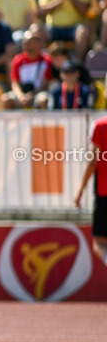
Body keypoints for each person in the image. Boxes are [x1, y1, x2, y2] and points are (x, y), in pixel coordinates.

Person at [76, 112, 107, 275]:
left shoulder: (100, 125)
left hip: (104, 192)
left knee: (99, 243)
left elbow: (93, 160)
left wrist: (81, 190)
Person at [1, 31, 51, 109]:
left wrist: (32, 95)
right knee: (6, 99)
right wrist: (21, 96)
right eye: (25, 44)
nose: (28, 47)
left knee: (43, 100)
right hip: (21, 94)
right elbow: (15, 83)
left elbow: (45, 84)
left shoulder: (46, 60)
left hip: (38, 93)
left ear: (38, 44)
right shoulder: (17, 60)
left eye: (31, 43)